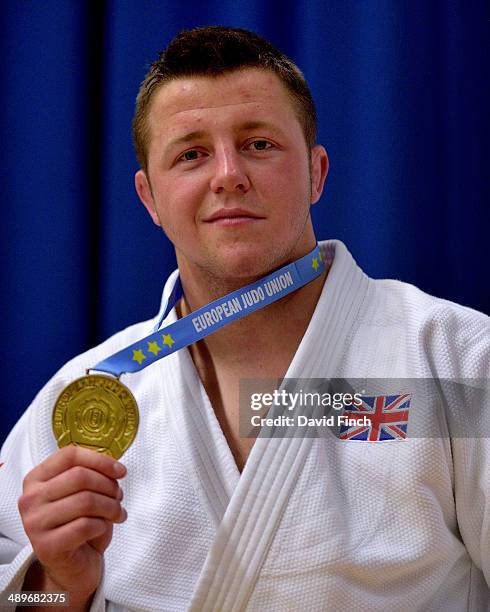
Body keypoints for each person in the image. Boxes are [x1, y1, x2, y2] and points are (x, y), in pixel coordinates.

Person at [0, 25, 489, 612]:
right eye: (191, 154)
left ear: (317, 172)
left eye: (259, 144)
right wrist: (55, 586)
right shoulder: (83, 397)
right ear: (149, 198)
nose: (228, 173)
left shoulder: (455, 360)